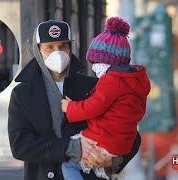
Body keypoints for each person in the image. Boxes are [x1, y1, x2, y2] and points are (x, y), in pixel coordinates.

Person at [8, 20, 141, 180]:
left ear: (70, 48)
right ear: (38, 50)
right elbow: (20, 145)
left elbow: (128, 130)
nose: (57, 52)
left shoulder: (96, 86)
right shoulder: (22, 94)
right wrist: (72, 147)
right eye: (49, 47)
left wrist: (112, 160)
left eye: (63, 46)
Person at [60, 17, 151, 180]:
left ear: (108, 61)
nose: (94, 67)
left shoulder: (111, 81)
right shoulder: (136, 82)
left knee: (68, 163)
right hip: (122, 145)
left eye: (96, 61)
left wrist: (70, 107)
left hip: (103, 141)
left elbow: (93, 107)